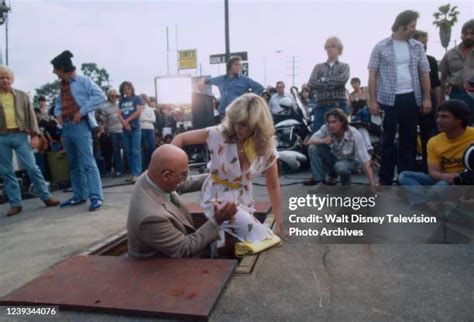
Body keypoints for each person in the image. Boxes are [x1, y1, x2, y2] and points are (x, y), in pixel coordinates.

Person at [172, 93, 285, 240]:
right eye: (235, 121)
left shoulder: (266, 149)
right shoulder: (218, 133)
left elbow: (273, 186)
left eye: (244, 124)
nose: (237, 128)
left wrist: (279, 221)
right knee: (263, 237)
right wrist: (171, 163)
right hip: (216, 195)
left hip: (244, 199)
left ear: (257, 124)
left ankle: (216, 249)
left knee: (237, 240)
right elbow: (181, 138)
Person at [127, 144, 237, 258]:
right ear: (166, 176)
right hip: (157, 268)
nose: (186, 177)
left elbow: (185, 182)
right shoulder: (151, 217)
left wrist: (217, 178)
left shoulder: (152, 177)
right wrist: (217, 221)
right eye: (183, 174)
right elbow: (185, 249)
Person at [368, 10, 432, 185]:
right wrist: (372, 101)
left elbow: (425, 72)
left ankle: (406, 179)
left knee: (409, 139)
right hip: (388, 100)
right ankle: (385, 179)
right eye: (412, 25)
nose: (414, 29)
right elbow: (372, 74)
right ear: (402, 25)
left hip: (411, 98)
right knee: (387, 139)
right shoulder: (381, 46)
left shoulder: (417, 46)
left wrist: (427, 98)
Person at [0, 66, 59, 216]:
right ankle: (15, 204)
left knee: (32, 167)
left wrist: (34, 135)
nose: (4, 80)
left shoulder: (21, 95)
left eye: (7, 77)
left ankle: (46, 197)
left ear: (11, 79)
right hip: (1, 137)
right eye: (1, 77)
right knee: (6, 172)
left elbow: (31, 116)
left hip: (20, 135)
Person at [51, 50, 106, 211]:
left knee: (88, 162)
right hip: (67, 127)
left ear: (62, 68)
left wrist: (81, 111)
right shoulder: (62, 86)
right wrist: (58, 114)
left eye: (55, 69)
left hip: (81, 125)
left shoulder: (83, 81)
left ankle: (96, 197)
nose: (54, 72)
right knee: (74, 164)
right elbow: (58, 105)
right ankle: (79, 195)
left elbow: (100, 96)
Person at [399, 99, 474, 208]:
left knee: (438, 189)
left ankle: (429, 198)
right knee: (404, 176)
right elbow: (433, 172)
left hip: (466, 180)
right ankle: (423, 203)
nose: (438, 120)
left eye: (444, 117)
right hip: (444, 178)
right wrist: (446, 177)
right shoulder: (434, 142)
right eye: (438, 116)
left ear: (459, 119)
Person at [303, 108, 376, 192]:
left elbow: (365, 160)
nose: (331, 125)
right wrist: (324, 140)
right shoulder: (326, 128)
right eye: (329, 122)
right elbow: (309, 141)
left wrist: (372, 184)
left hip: (350, 162)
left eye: (334, 122)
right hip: (334, 158)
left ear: (342, 122)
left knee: (340, 167)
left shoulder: (353, 133)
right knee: (313, 148)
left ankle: (346, 180)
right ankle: (320, 183)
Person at [412, 30, 443, 173]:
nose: (424, 46)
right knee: (409, 137)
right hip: (410, 102)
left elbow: (436, 83)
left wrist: (439, 103)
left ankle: (428, 169)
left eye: (425, 43)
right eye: (420, 42)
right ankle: (410, 168)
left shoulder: (430, 60)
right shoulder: (406, 61)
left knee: (429, 137)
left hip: (428, 103)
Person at [198, 56, 264, 119]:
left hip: (238, 113)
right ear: (229, 66)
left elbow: (260, 88)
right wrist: (202, 81)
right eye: (236, 64)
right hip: (224, 113)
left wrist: (249, 97)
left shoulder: (244, 79)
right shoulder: (221, 79)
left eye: (239, 65)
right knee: (224, 130)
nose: (238, 67)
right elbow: (208, 81)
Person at [307, 36, 350, 133]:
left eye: (333, 46)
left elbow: (342, 80)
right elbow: (311, 83)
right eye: (328, 47)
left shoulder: (345, 66)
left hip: (339, 105)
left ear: (339, 50)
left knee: (341, 135)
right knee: (318, 135)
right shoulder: (318, 67)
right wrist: (332, 82)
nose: (329, 49)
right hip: (321, 106)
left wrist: (322, 80)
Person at [439, 19, 474, 124]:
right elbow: (442, 77)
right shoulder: (450, 54)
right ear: (461, 35)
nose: (468, 37)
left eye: (472, 34)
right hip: (456, 94)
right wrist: (441, 99)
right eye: (465, 33)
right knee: (459, 125)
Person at [117, 81, 144, 183]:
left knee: (136, 152)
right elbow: (118, 113)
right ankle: (133, 174)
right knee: (128, 153)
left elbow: (138, 111)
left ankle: (137, 174)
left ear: (131, 89)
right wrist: (124, 123)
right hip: (125, 129)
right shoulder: (121, 101)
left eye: (128, 89)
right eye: (124, 89)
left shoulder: (137, 98)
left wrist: (127, 121)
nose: (126, 91)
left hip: (135, 128)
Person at [99, 88, 123, 177]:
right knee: (116, 151)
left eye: (115, 95)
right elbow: (104, 122)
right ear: (108, 96)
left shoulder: (120, 104)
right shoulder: (104, 107)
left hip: (123, 129)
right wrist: (106, 132)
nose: (114, 97)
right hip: (113, 131)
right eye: (112, 95)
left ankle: (127, 168)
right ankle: (119, 170)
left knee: (128, 150)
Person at [139, 93, 156, 170]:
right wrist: (147, 118)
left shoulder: (150, 109)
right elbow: (139, 119)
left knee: (152, 147)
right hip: (141, 129)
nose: (143, 100)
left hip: (150, 129)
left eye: (144, 99)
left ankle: (151, 165)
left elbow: (153, 120)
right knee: (144, 148)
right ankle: (144, 167)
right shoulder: (138, 109)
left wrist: (145, 119)